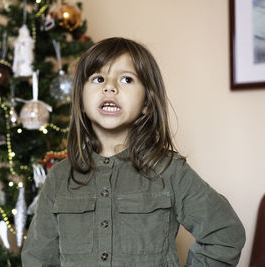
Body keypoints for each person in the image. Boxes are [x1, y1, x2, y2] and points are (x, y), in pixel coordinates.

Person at [21, 37, 246, 266]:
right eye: (98, 78)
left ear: (147, 103)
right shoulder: (59, 178)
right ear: (80, 99)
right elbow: (37, 258)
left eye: (126, 79)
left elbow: (225, 234)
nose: (110, 87)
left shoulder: (169, 171)